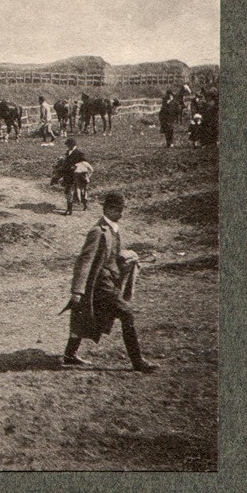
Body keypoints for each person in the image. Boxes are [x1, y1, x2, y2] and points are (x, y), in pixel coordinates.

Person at [62, 191, 159, 372]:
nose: (121, 214)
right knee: (126, 314)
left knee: (83, 317)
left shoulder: (114, 229)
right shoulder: (97, 231)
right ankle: (138, 362)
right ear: (107, 209)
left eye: (122, 209)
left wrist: (128, 258)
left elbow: (112, 255)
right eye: (118, 210)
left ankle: (69, 355)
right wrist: (77, 290)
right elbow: (84, 260)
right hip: (100, 286)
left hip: (111, 283)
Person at [53, 137, 89, 215]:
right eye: (67, 145)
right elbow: (65, 163)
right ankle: (69, 209)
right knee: (68, 192)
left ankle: (85, 205)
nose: (67, 146)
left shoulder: (79, 153)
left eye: (68, 145)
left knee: (80, 191)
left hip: (77, 175)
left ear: (73, 145)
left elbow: (85, 163)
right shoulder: (67, 152)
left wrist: (76, 165)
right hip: (68, 175)